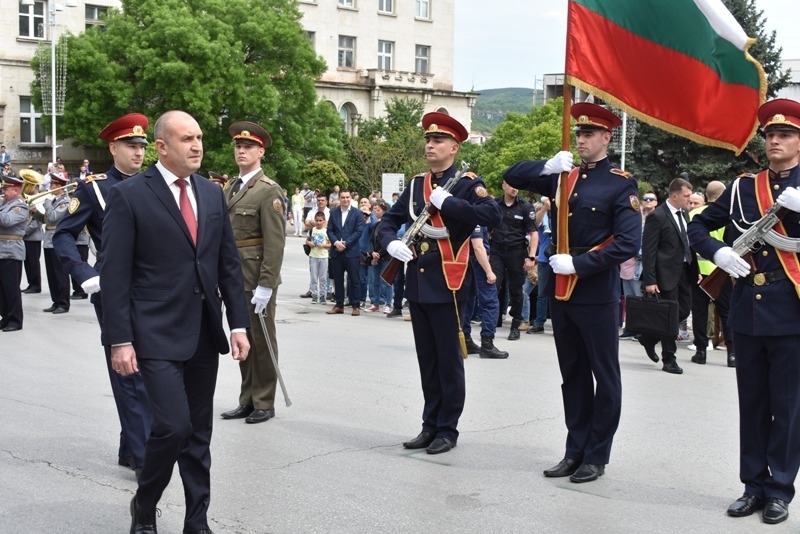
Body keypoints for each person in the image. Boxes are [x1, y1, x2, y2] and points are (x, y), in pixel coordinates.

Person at [102, 110, 250, 533]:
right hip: (153, 333)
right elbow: (115, 274)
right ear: (162, 146)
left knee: (198, 435)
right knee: (172, 425)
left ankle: (196, 520)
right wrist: (120, 340)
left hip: (204, 331)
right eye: (187, 139)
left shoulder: (211, 193)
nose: (197, 145)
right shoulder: (130, 195)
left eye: (199, 137)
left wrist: (238, 325)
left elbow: (228, 265)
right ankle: (145, 503)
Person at [502, 102, 640, 482]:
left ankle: (596, 455)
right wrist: (546, 166)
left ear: (607, 137)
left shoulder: (620, 182)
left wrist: (580, 264)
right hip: (562, 292)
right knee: (573, 374)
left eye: (589, 134)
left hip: (595, 289)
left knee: (604, 376)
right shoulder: (564, 176)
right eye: (579, 133)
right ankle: (574, 449)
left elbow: (628, 242)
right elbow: (510, 174)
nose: (581, 140)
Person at [688, 98, 800, 525]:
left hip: (791, 309)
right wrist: (717, 252)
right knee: (752, 403)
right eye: (771, 135)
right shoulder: (741, 188)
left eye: (785, 134)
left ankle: (779, 490)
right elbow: (698, 224)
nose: (775, 140)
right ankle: (752, 485)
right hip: (748, 309)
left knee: (787, 406)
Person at [380, 112, 502, 454]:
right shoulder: (417, 183)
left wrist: (451, 203)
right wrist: (391, 242)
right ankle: (429, 424)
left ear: (454, 147)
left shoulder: (466, 183)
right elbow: (388, 221)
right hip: (418, 283)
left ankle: (448, 429)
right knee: (427, 360)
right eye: (428, 140)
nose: (430, 145)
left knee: (449, 360)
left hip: (450, 283)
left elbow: (492, 215)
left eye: (437, 141)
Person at [53, 113, 152, 479]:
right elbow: (63, 234)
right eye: (131, 146)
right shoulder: (95, 188)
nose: (138, 153)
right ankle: (143, 456)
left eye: (142, 146)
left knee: (149, 368)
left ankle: (131, 446)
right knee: (128, 371)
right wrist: (84, 273)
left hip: (152, 293)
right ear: (113, 148)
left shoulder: (153, 185)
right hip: (112, 291)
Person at [220, 120, 286, 425]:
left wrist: (267, 284)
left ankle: (264, 400)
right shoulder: (231, 187)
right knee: (242, 337)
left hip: (255, 276)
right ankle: (247, 398)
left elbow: (275, 242)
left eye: (248, 146)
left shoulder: (268, 191)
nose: (242, 151)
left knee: (261, 340)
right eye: (238, 146)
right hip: (234, 274)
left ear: (261, 151)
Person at [638, 177, 695, 374]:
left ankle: (649, 337)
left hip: (684, 273)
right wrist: (650, 280)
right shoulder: (658, 216)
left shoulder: (684, 214)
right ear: (674, 195)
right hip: (665, 275)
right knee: (670, 317)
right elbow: (649, 250)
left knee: (684, 311)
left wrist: (694, 270)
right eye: (686, 196)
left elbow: (687, 244)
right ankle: (669, 359)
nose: (689, 199)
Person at [687, 180, 734, 367]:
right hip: (722, 273)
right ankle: (732, 354)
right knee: (727, 313)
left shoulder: (695, 214)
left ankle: (700, 352)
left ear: (706, 196)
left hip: (699, 273)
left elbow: (689, 244)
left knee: (699, 313)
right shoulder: (729, 215)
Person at [489, 180, 537, 340]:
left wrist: (531, 257)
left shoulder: (525, 206)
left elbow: (533, 233)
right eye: (510, 185)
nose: (514, 188)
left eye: (517, 185)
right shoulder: (494, 204)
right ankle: (490, 324)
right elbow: (486, 228)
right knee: (493, 287)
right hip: (496, 251)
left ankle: (515, 324)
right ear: (503, 186)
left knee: (516, 290)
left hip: (517, 252)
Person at [463, 224, 508, 358]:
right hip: (476, 263)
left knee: (468, 301)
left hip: (465, 262)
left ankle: (465, 340)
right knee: (491, 303)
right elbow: (477, 247)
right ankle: (487, 344)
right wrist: (489, 271)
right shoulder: (477, 217)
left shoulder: (465, 211)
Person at [327, 188, 365, 316]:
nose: (345, 200)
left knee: (354, 280)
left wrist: (346, 243)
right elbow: (330, 230)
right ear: (339, 199)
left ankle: (355, 306)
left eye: (347, 197)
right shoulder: (334, 213)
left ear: (351, 198)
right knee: (338, 280)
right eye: (342, 197)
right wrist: (336, 242)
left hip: (351, 252)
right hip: (336, 252)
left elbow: (358, 231)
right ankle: (339, 305)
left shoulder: (358, 213)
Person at [0, 175, 28, 332]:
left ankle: (15, 320)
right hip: (2, 250)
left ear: (16, 190)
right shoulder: (4, 204)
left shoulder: (20, 206)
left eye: (6, 189)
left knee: (11, 288)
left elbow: (6, 221)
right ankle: (5, 317)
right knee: (2, 289)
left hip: (11, 251)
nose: (3, 191)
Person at [41, 172, 71, 314]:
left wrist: (46, 204)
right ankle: (56, 301)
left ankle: (63, 303)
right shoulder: (54, 201)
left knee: (60, 273)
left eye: (52, 184)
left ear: (59, 186)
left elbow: (53, 217)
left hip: (58, 241)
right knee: (51, 274)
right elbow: (46, 219)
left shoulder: (65, 202)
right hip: (48, 240)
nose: (50, 186)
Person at [528, 197, 552, 334]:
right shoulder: (544, 216)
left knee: (561, 294)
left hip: (561, 259)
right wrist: (544, 208)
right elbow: (534, 225)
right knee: (542, 294)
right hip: (544, 259)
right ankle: (539, 323)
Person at [307, 211, 331, 303]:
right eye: (317, 220)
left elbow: (330, 244)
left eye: (321, 220)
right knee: (313, 277)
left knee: (323, 277)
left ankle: (322, 295)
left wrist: (324, 245)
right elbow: (307, 240)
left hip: (323, 256)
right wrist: (310, 243)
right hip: (313, 256)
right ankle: (314, 294)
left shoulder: (326, 231)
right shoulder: (312, 230)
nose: (319, 222)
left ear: (324, 221)